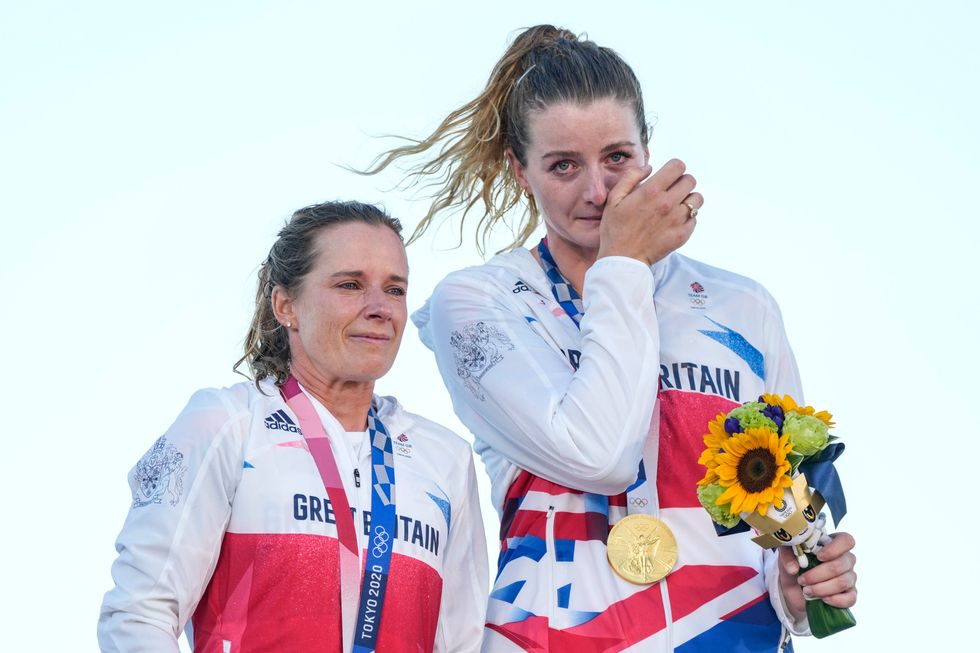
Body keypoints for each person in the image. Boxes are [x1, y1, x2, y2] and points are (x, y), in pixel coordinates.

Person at [369, 25, 857, 652]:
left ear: (648, 151)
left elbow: (780, 508)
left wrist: (792, 593)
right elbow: (600, 456)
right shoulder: (478, 303)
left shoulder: (743, 305)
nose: (597, 192)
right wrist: (622, 265)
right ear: (520, 170)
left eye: (617, 158)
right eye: (563, 166)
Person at [98, 201, 488, 653]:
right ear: (286, 306)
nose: (380, 308)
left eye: (395, 289)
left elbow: (466, 642)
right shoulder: (226, 423)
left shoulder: (444, 457)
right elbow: (138, 615)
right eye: (350, 285)